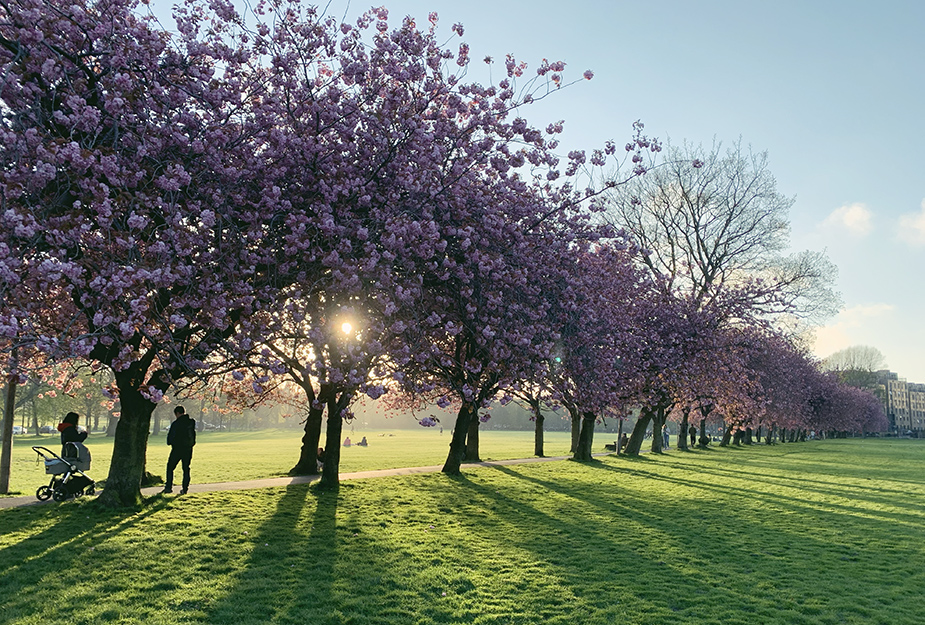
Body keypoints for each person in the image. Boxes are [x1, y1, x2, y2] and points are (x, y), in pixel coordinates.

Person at [164, 406, 196, 494]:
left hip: (177, 449)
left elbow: (171, 437)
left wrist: (170, 442)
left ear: (177, 413)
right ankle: (185, 488)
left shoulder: (176, 424)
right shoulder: (191, 423)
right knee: (186, 468)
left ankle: (168, 487)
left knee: (170, 467)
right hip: (188, 449)